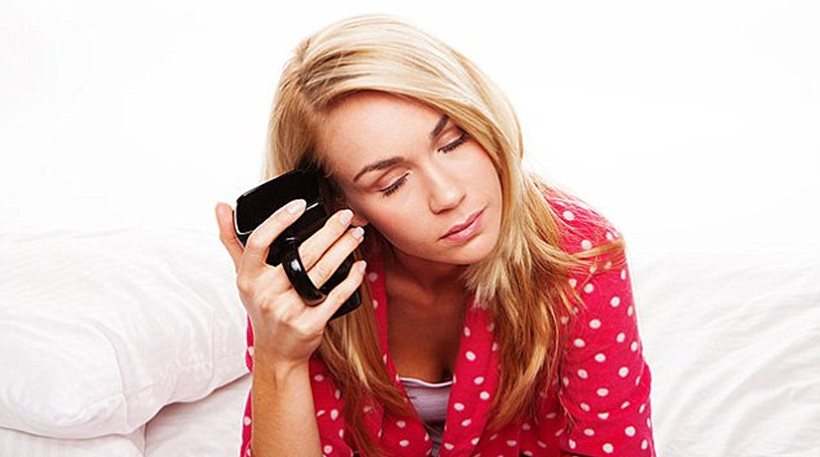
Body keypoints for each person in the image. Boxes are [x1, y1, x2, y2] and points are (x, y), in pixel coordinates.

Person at [215, 13, 656, 457]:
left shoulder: (581, 256)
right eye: (392, 183)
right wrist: (279, 358)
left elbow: (616, 446)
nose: (448, 195)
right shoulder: (312, 280)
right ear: (340, 202)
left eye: (454, 142)